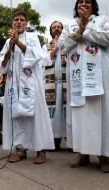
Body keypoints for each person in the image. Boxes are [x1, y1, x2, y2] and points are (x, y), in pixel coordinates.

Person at [58, 0, 109, 172]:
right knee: (80, 115)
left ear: (93, 6)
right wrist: (79, 32)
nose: (84, 4)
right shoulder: (69, 24)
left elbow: (107, 39)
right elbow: (63, 46)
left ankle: (104, 156)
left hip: (100, 78)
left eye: (87, 2)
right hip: (79, 78)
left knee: (101, 114)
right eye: (81, 2)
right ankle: (83, 153)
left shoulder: (102, 20)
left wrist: (86, 25)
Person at [0, 11, 55, 164]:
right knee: (18, 118)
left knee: (36, 117)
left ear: (26, 24)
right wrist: (10, 47)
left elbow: (36, 57)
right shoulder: (7, 41)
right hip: (14, 85)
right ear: (12, 24)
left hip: (31, 84)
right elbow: (1, 67)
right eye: (16, 20)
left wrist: (18, 43)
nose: (19, 22)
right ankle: (20, 149)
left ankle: (40, 150)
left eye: (22, 20)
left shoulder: (32, 37)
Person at [41, 21, 67, 151]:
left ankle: (71, 141)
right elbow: (42, 62)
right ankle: (54, 141)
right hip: (51, 84)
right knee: (54, 114)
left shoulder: (69, 44)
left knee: (67, 112)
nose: (57, 29)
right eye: (54, 27)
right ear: (50, 31)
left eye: (59, 27)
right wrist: (55, 49)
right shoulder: (45, 46)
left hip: (66, 84)